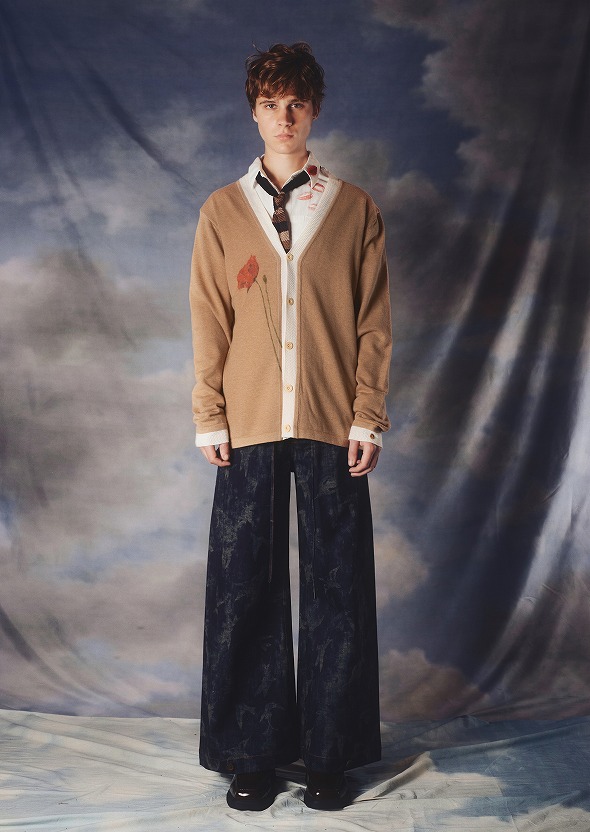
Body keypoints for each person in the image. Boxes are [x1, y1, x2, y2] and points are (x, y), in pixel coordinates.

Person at [189, 42, 392, 812]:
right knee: (246, 585)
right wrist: (209, 413)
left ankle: (330, 754)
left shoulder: (355, 208)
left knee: (338, 586)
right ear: (253, 111)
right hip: (246, 423)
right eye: (271, 103)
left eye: (297, 103)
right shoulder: (221, 211)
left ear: (315, 110)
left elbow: (373, 324)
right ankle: (253, 753)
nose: (285, 116)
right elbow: (209, 317)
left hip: (333, 420)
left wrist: (367, 414)